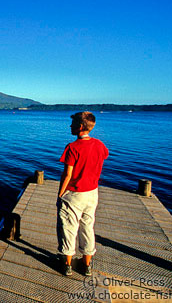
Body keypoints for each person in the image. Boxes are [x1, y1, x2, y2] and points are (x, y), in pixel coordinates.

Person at [57, 111, 108, 276]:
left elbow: (67, 175)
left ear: (79, 127)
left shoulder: (72, 148)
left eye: (72, 124)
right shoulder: (100, 145)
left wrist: (60, 195)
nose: (69, 126)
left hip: (74, 194)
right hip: (92, 193)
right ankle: (86, 265)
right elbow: (101, 158)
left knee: (68, 228)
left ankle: (67, 265)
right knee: (87, 227)